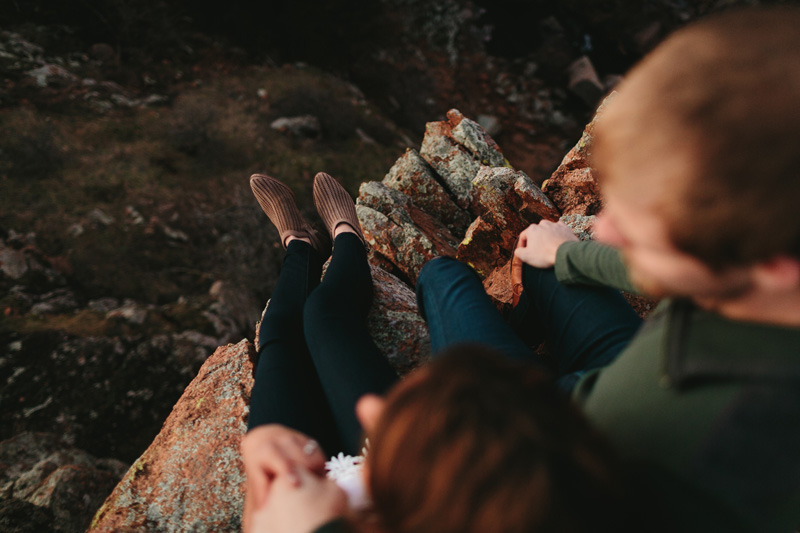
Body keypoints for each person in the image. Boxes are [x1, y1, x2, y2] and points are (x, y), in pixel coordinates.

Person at [415, 7, 800, 531]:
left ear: (775, 265)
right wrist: (570, 255)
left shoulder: (677, 420)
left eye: (646, 229)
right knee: (545, 261)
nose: (609, 229)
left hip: (552, 427)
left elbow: (504, 480)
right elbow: (702, 272)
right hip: (622, 371)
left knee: (443, 276)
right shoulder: (765, 279)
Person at [240, 173, 634, 533]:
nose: (373, 410)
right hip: (581, 420)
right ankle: (345, 239)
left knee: (285, 334)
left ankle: (303, 246)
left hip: (433, 464)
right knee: (334, 314)